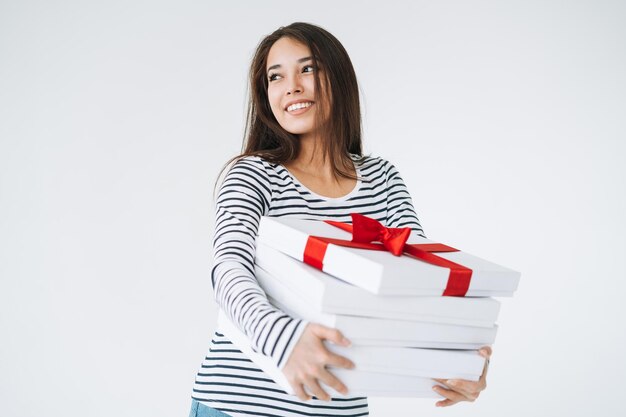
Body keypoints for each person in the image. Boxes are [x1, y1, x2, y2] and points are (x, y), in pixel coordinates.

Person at [190, 22, 492, 417]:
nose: (291, 86)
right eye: (275, 76)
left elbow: (420, 287)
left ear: (340, 77)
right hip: (239, 406)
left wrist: (462, 359)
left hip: (340, 408)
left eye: (308, 69)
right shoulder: (252, 173)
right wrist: (285, 341)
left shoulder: (382, 179)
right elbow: (228, 269)